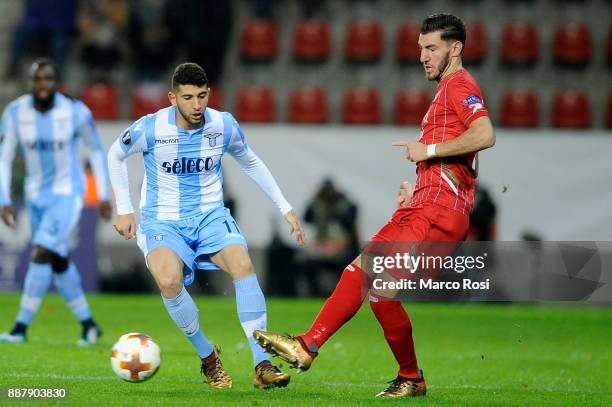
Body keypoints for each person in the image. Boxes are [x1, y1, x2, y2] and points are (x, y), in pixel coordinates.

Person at [254, 13, 496, 398]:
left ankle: (307, 344)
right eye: (420, 49)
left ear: (456, 48)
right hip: (433, 206)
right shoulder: (447, 91)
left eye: (432, 48)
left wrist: (428, 152)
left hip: (434, 212)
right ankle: (411, 378)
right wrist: (424, 181)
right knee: (383, 297)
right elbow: (473, 164)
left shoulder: (459, 86)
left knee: (359, 271)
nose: (423, 57)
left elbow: (485, 135)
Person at [107, 62, 305, 390]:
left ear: (209, 93)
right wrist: (124, 210)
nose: (196, 105)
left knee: (242, 264)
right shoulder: (151, 128)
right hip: (162, 220)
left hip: (210, 215)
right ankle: (209, 359)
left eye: (202, 96)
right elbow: (115, 155)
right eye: (187, 98)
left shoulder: (223, 125)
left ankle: (262, 364)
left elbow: (250, 161)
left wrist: (285, 208)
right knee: (169, 281)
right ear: (173, 98)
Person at [0, 58, 112, 345]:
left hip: (67, 194)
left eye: (48, 79)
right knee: (58, 260)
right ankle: (89, 325)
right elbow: (4, 157)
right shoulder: (15, 113)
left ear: (56, 82)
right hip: (34, 194)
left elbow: (97, 152)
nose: (42, 85)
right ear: (30, 82)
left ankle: (20, 328)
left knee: (41, 252)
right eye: (37, 80)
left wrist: (102, 194)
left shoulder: (75, 112)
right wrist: (4, 199)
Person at [301, 178, 359, 296]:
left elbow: (351, 218)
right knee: (307, 265)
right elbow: (306, 218)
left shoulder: (343, 205)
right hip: (322, 247)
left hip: (341, 249)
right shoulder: (318, 205)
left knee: (346, 269)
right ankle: (315, 294)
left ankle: (340, 294)